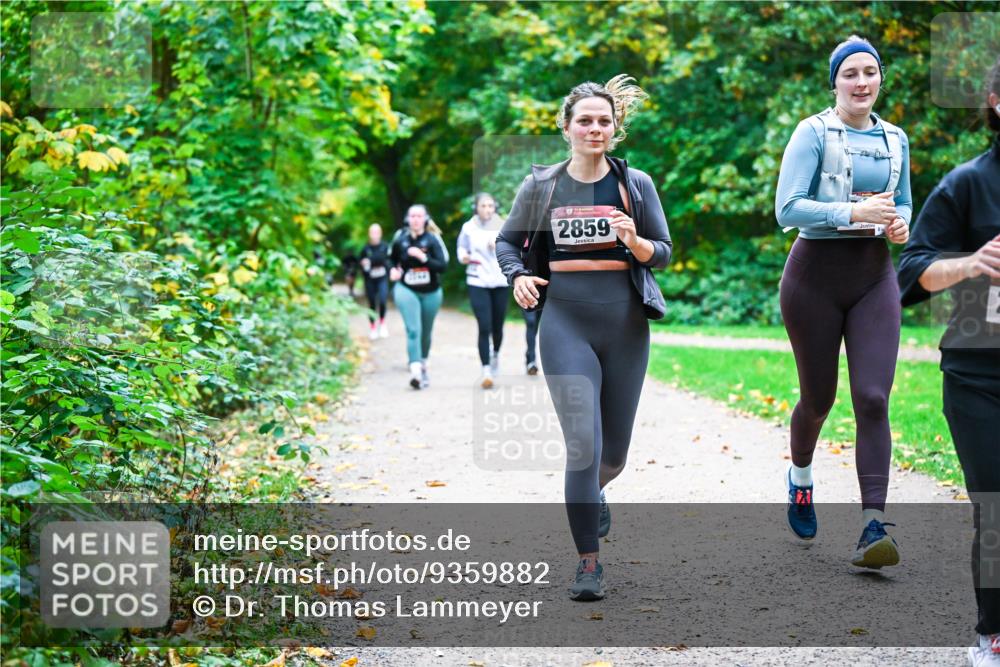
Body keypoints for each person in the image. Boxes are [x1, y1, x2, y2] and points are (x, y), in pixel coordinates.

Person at [496, 74, 672, 601]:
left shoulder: (635, 184)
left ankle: (594, 492)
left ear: (615, 128)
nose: (594, 128)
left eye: (603, 121)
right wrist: (519, 276)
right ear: (567, 127)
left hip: (625, 326)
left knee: (612, 456)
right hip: (565, 325)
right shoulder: (541, 186)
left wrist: (634, 240)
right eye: (585, 121)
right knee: (584, 447)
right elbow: (507, 244)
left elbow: (662, 251)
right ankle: (587, 564)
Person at [774, 35, 912, 568]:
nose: (861, 82)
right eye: (850, 73)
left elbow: (902, 207)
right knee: (818, 401)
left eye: (869, 72)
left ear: (880, 79)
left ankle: (872, 525)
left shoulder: (895, 138)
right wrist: (852, 215)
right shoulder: (812, 132)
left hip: (874, 278)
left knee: (874, 398)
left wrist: (899, 226)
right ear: (834, 82)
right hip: (813, 278)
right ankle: (801, 478)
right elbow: (787, 208)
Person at [898, 58, 1000, 667]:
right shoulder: (968, 183)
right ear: (995, 101)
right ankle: (993, 632)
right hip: (979, 374)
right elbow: (910, 271)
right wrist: (968, 265)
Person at [390, 204, 447, 389]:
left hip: (431, 292)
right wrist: (393, 270)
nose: (415, 219)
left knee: (426, 330)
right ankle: (415, 371)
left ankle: (422, 363)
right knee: (413, 329)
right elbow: (390, 258)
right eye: (412, 216)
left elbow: (443, 266)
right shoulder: (401, 238)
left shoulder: (432, 239)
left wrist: (423, 259)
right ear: (408, 219)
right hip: (406, 289)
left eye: (419, 216)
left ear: (425, 219)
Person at [458, 192, 510, 388]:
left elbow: (515, 248)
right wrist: (463, 256)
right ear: (476, 208)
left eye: (490, 206)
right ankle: (486, 369)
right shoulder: (468, 227)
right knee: (484, 326)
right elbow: (461, 248)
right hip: (477, 280)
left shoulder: (504, 225)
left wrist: (499, 245)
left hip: (499, 281)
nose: (487, 209)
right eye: (483, 206)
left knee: (498, 327)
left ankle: (495, 354)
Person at [360, 223, 391, 340]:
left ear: (380, 233)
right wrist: (365, 264)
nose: (374, 234)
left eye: (377, 232)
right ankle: (373, 327)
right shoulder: (365, 249)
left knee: (383, 300)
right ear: (369, 234)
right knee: (372, 303)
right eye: (372, 232)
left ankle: (382, 324)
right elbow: (361, 264)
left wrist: (372, 261)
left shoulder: (385, 247)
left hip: (382, 278)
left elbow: (386, 261)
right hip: (370, 279)